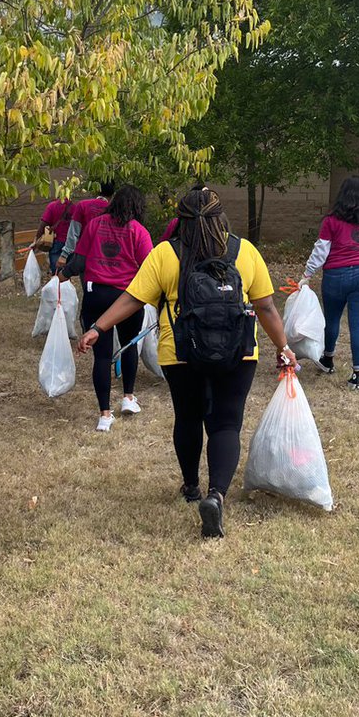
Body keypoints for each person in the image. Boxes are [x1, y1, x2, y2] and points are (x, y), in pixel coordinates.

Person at [77, 188, 296, 539]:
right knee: (226, 423)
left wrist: (98, 328)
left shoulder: (166, 253)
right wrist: (283, 346)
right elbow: (267, 307)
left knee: (189, 417)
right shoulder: (245, 251)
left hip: (180, 350)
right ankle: (217, 495)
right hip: (238, 351)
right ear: (221, 217)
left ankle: (192, 486)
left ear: (180, 219)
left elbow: (133, 297)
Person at [62, 184, 153, 430]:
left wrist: (64, 273)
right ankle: (128, 398)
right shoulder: (139, 231)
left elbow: (79, 259)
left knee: (101, 356)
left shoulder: (95, 225)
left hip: (96, 295)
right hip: (127, 298)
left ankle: (104, 414)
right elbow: (149, 269)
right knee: (128, 346)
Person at [300, 176, 359, 391]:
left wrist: (307, 274)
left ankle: (328, 359)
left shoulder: (332, 221)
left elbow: (321, 250)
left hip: (335, 275)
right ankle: (357, 374)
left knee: (331, 319)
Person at [56, 179, 116, 272]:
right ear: (113, 194)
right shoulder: (114, 210)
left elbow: (73, 233)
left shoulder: (83, 205)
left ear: (97, 190)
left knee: (86, 284)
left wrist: (64, 255)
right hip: (106, 257)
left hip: (84, 255)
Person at [33, 195, 74, 275]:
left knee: (56, 272)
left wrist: (36, 240)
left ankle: (57, 286)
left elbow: (43, 224)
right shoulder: (75, 207)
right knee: (66, 274)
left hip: (57, 242)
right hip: (71, 244)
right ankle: (66, 285)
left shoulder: (53, 205)